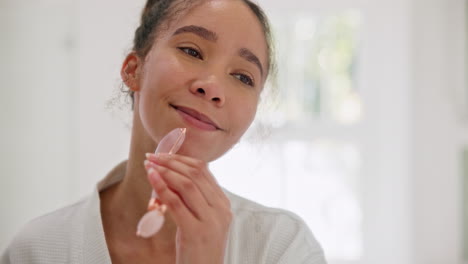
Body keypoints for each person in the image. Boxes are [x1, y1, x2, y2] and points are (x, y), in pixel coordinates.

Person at [1, 0, 327, 263]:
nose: (213, 88)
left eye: (243, 77)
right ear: (134, 69)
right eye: (192, 51)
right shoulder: (38, 250)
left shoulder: (283, 248)